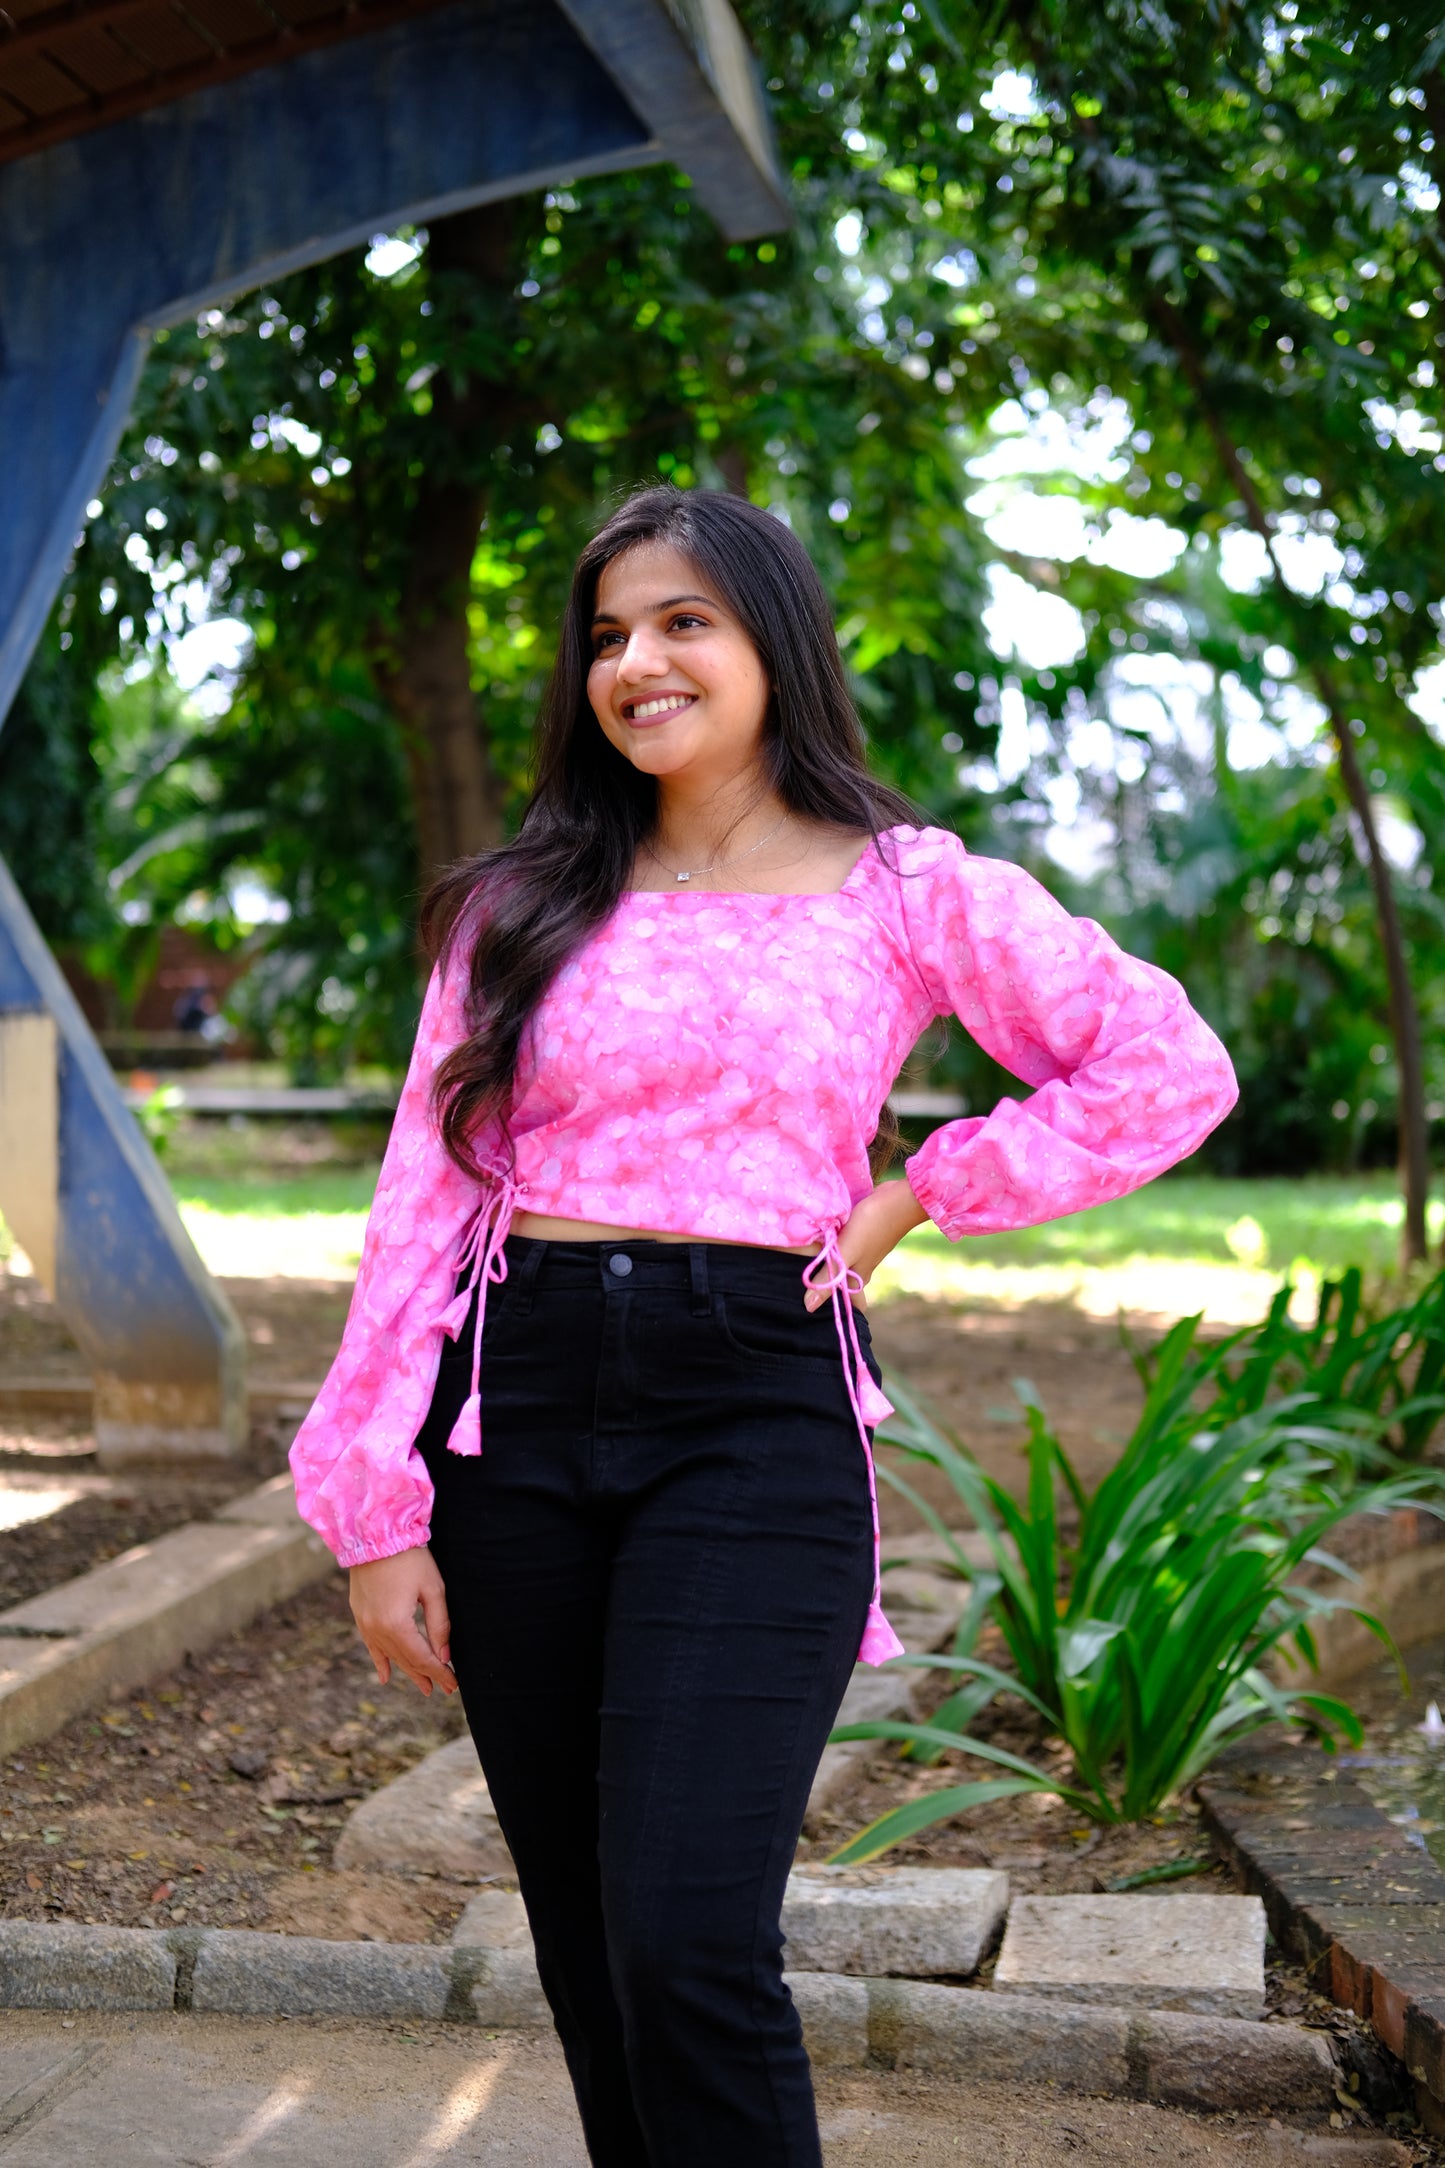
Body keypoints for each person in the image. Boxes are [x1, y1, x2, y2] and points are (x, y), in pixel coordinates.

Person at [290, 485, 1237, 2167]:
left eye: (680, 623)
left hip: (752, 1416)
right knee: (591, 1959)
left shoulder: (904, 889)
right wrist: (375, 1501)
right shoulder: (520, 903)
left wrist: (926, 1187)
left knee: (683, 1940)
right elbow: (418, 1203)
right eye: (604, 636)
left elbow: (1163, 1066)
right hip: (511, 1415)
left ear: (769, 643)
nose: (635, 662)